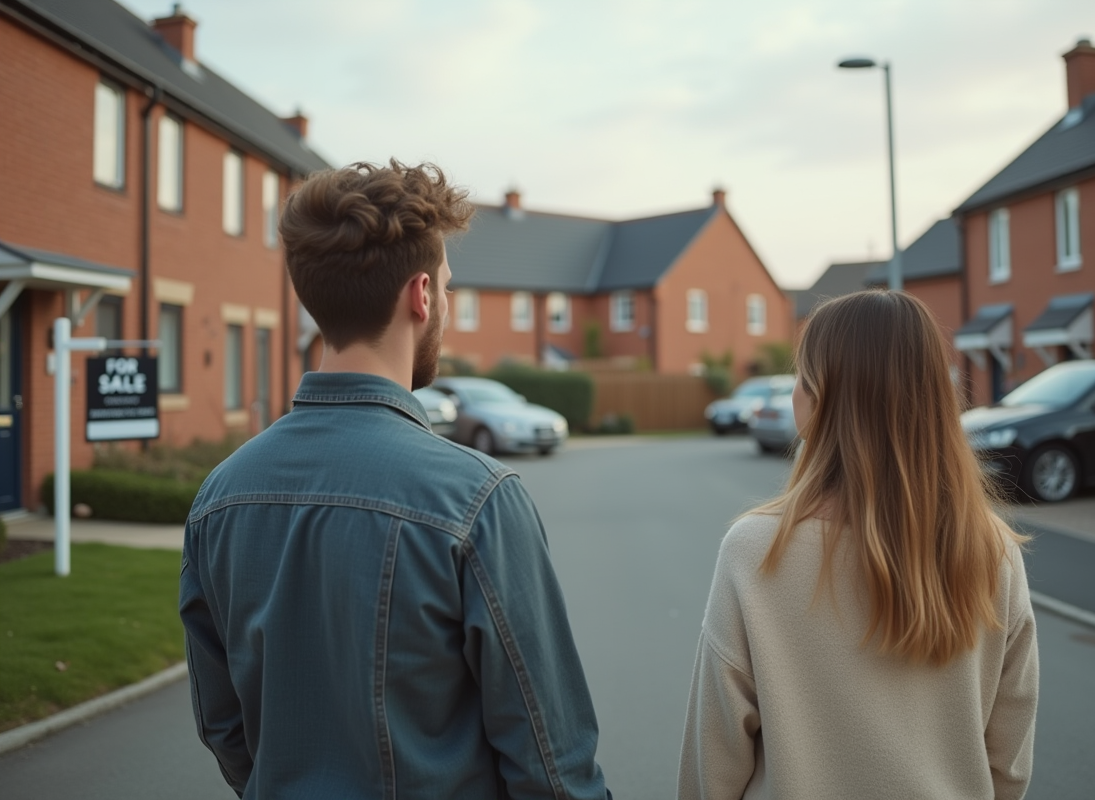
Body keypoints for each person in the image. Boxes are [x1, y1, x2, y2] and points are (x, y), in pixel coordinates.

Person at [180, 160, 611, 799]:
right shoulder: (478, 500)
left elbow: (224, 727)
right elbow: (553, 769)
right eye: (448, 286)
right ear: (422, 295)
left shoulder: (219, 497)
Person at [678, 290, 1038, 800]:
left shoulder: (756, 550)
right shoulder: (994, 551)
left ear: (821, 397)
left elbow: (714, 762)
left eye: (802, 375)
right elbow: (1009, 764)